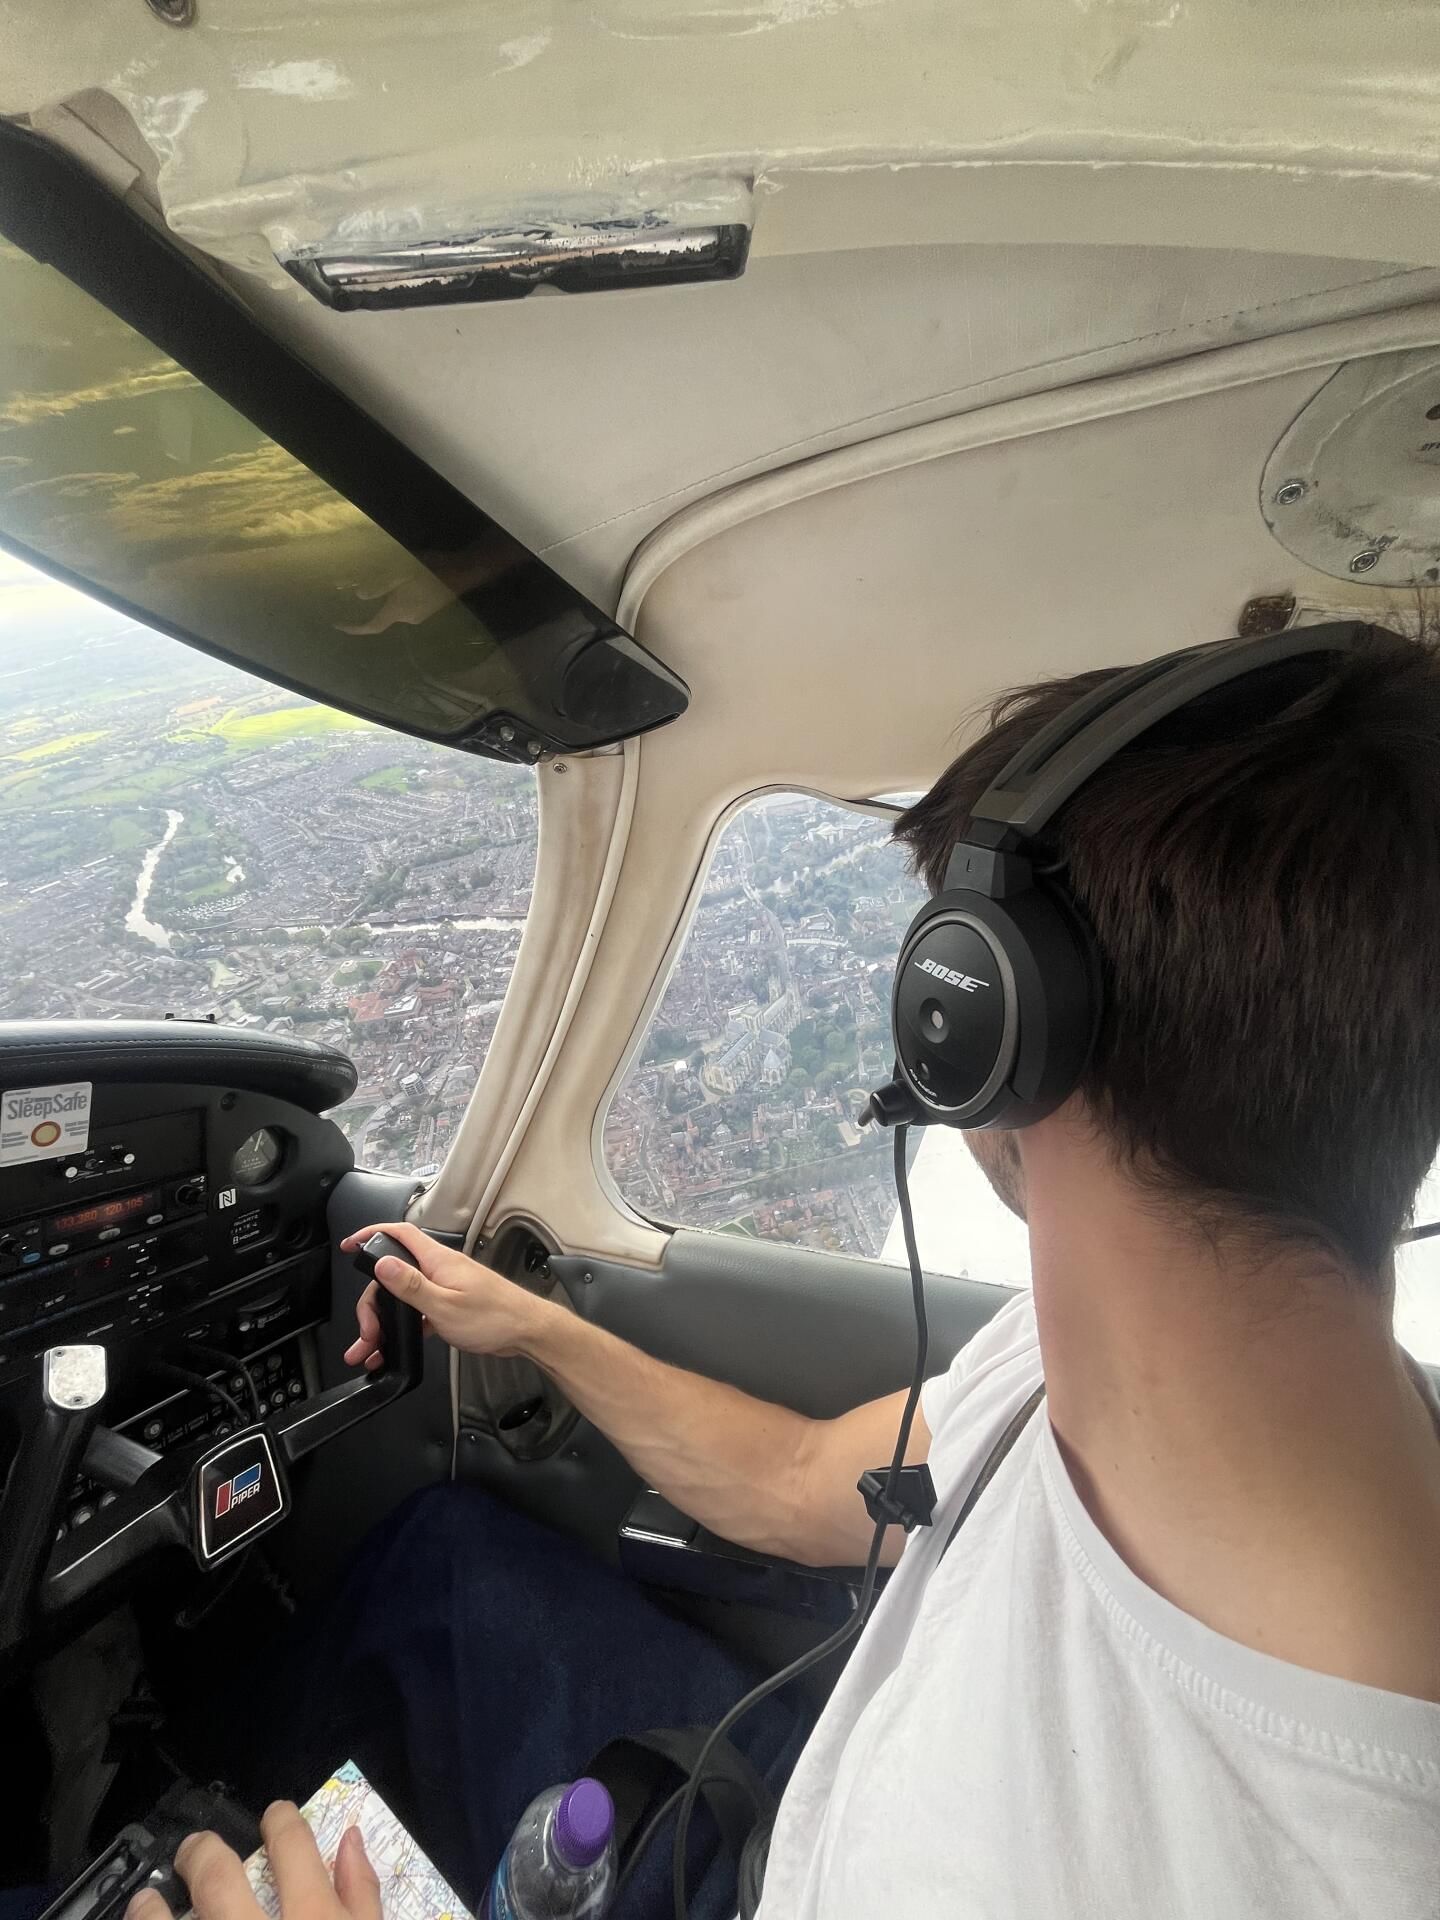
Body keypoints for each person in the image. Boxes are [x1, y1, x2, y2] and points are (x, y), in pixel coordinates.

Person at [141, 629, 1440, 1920]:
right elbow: (800, 1480)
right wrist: (530, 1325)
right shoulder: (1099, 1367)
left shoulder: (1309, 1865)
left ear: (984, 1026)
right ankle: (174, 1798)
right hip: (805, 1821)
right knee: (445, 1561)